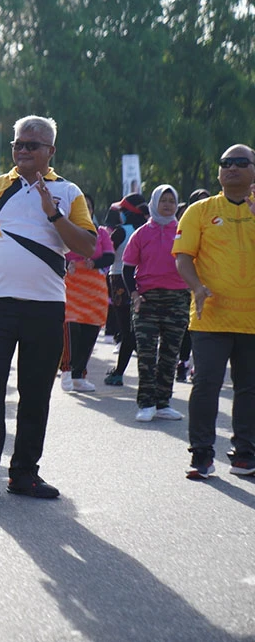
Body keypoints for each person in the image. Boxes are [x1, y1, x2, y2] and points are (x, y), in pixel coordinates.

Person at [0, 115, 96, 503]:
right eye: (18, 144)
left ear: (51, 150)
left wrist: (53, 212)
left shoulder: (68, 192)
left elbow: (86, 246)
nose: (23, 151)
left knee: (35, 395)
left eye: (32, 145)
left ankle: (24, 474)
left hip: (46, 308)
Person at [174, 145, 255, 478]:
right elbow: (183, 257)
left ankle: (245, 454)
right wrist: (196, 286)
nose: (231, 167)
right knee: (206, 385)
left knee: (249, 389)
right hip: (210, 316)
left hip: (252, 320)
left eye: (240, 162)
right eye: (225, 162)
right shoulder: (200, 210)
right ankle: (202, 454)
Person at [120, 185, 189, 422]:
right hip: (146, 300)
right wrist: (134, 295)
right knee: (147, 355)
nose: (168, 205)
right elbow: (127, 269)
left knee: (170, 354)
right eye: (163, 200)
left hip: (177, 300)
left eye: (172, 201)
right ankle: (146, 403)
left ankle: (163, 403)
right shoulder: (141, 233)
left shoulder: (184, 232)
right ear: (154, 203)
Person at [58, 194, 114, 393]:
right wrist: (67, 264)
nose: (86, 210)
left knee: (90, 332)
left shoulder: (101, 233)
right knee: (71, 328)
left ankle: (79, 375)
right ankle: (66, 370)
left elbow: (109, 256)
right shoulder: (65, 231)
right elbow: (56, 253)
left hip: (94, 290)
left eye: (88, 206)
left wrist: (95, 263)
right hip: (72, 288)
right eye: (82, 206)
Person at [104, 194, 149, 386]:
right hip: (144, 282)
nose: (120, 214)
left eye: (122, 210)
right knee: (137, 329)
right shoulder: (148, 229)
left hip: (120, 281)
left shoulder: (121, 232)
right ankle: (151, 369)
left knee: (127, 331)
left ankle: (119, 373)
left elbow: (106, 254)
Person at [175, 188, 212, 383]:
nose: (203, 204)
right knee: (187, 330)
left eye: (206, 200)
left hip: (210, 288)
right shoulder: (188, 222)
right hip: (187, 286)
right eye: (199, 200)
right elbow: (182, 258)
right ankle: (182, 362)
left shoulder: (217, 222)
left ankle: (197, 367)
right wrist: (195, 284)